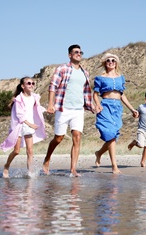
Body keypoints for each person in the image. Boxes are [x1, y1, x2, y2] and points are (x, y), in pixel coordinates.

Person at [42, 44, 94, 177]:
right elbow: (53, 86)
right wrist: (51, 104)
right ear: (69, 55)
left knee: (77, 137)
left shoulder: (85, 72)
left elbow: (86, 92)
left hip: (78, 110)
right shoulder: (63, 68)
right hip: (63, 108)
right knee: (58, 138)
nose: (79, 54)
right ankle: (47, 159)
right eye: (76, 52)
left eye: (80, 52)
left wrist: (91, 105)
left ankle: (73, 169)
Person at [93, 53, 139, 174]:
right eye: (108, 60)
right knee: (110, 135)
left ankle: (99, 153)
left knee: (112, 136)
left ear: (116, 63)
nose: (111, 62)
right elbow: (95, 94)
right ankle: (114, 166)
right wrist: (97, 104)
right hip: (105, 106)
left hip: (117, 107)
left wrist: (132, 109)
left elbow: (122, 95)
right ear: (105, 63)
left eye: (113, 60)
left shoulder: (120, 78)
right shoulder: (100, 78)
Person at [0, 77, 47, 178]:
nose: (31, 85)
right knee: (16, 151)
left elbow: (37, 108)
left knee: (30, 150)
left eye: (33, 83)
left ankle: (30, 172)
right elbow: (20, 115)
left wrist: (48, 110)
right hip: (19, 126)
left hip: (29, 126)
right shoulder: (18, 99)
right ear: (23, 86)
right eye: (28, 83)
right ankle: (6, 165)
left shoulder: (34, 97)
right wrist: (31, 125)